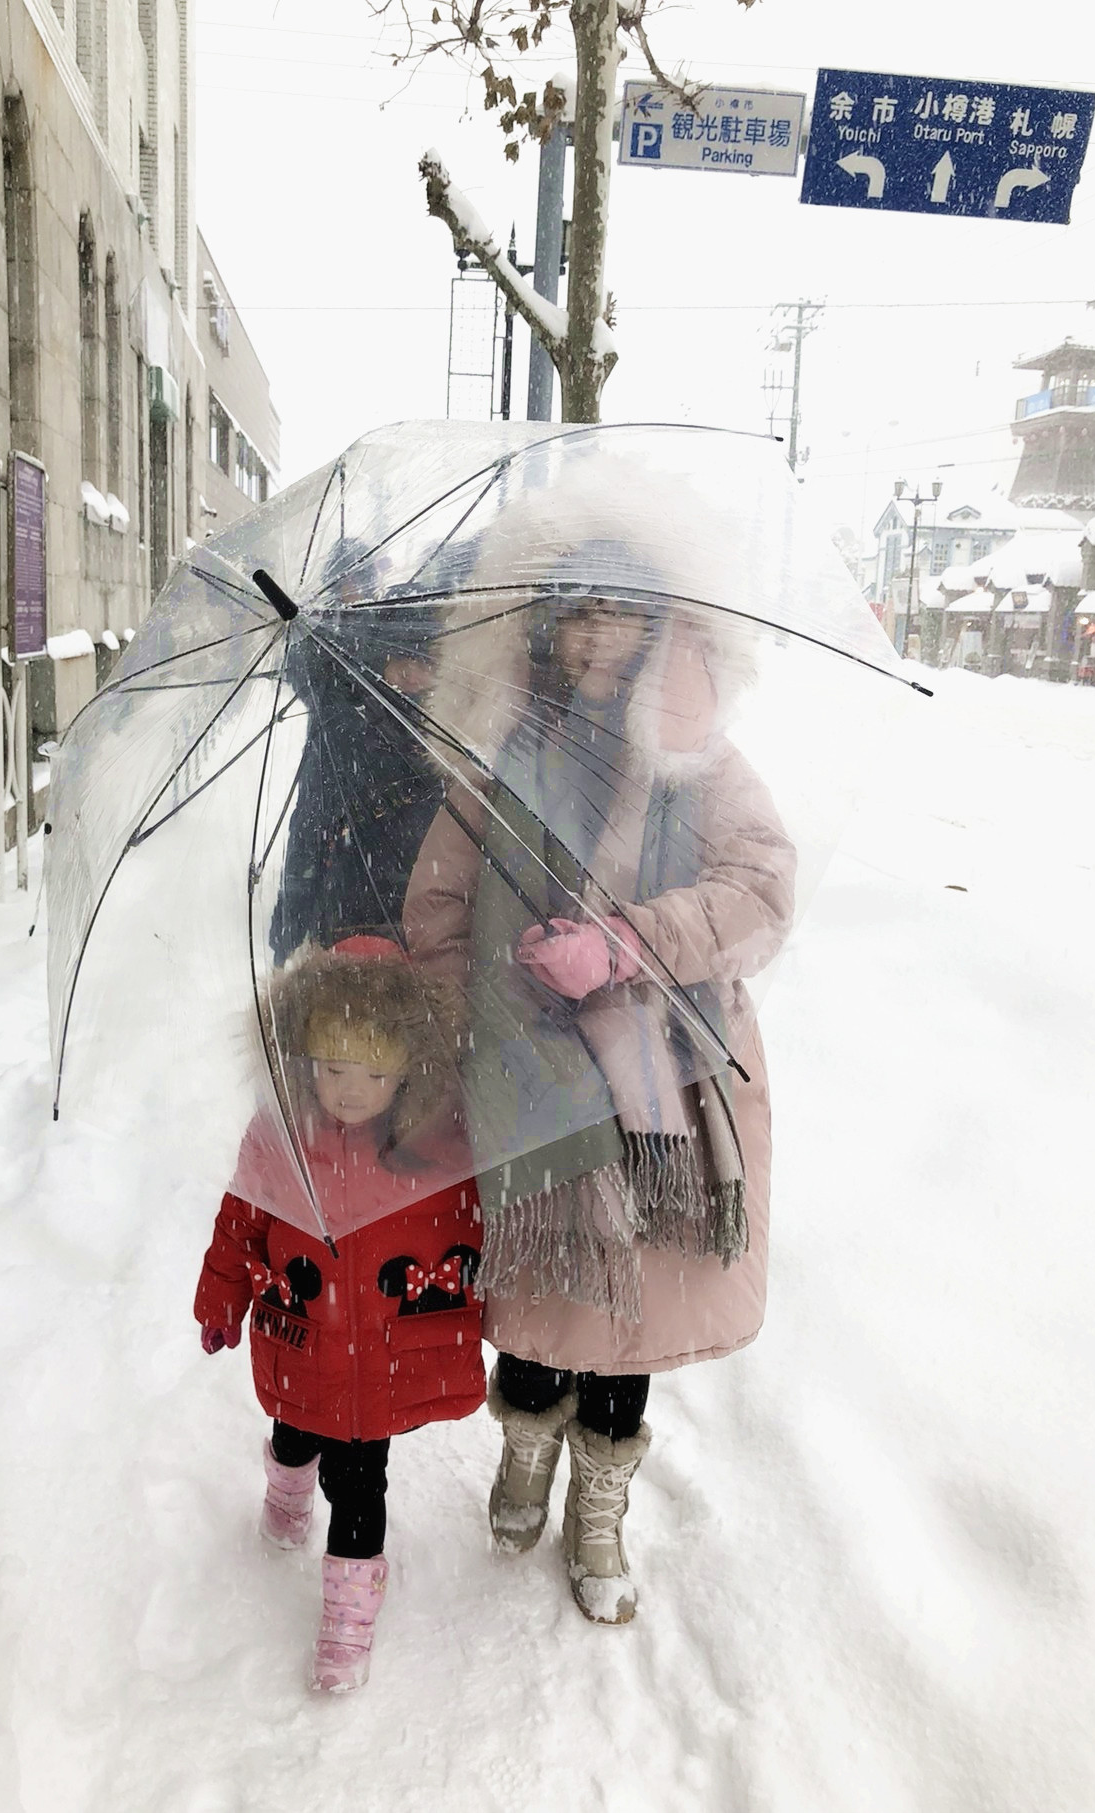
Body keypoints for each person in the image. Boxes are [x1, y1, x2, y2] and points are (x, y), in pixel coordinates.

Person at [403, 575, 796, 1626]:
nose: (594, 634)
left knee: (638, 1310)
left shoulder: (698, 758)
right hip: (531, 1083)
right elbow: (436, 908)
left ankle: (600, 1503)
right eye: (576, 610)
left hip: (664, 1082)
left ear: (664, 619)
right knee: (543, 1301)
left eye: (617, 608)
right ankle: (525, 1449)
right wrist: (489, 1003)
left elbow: (761, 887)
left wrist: (627, 942)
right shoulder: (503, 752)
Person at [194, 934, 481, 1691]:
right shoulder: (280, 1135)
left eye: (374, 1073)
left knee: (360, 1482)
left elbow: (473, 1237)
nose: (349, 1091)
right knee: (294, 1434)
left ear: (409, 1071)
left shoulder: (438, 1147)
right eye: (331, 1069)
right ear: (302, 1060)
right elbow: (240, 1220)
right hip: (301, 1338)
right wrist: (221, 1297)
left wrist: (487, 1308)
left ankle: (349, 1619)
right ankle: (286, 1491)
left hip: (381, 1359)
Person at [268, 538, 451, 964]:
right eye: (406, 659)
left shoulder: (448, 728)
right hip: (351, 911)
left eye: (429, 661)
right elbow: (309, 833)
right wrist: (289, 933)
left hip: (424, 911)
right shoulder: (341, 701)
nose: (417, 674)